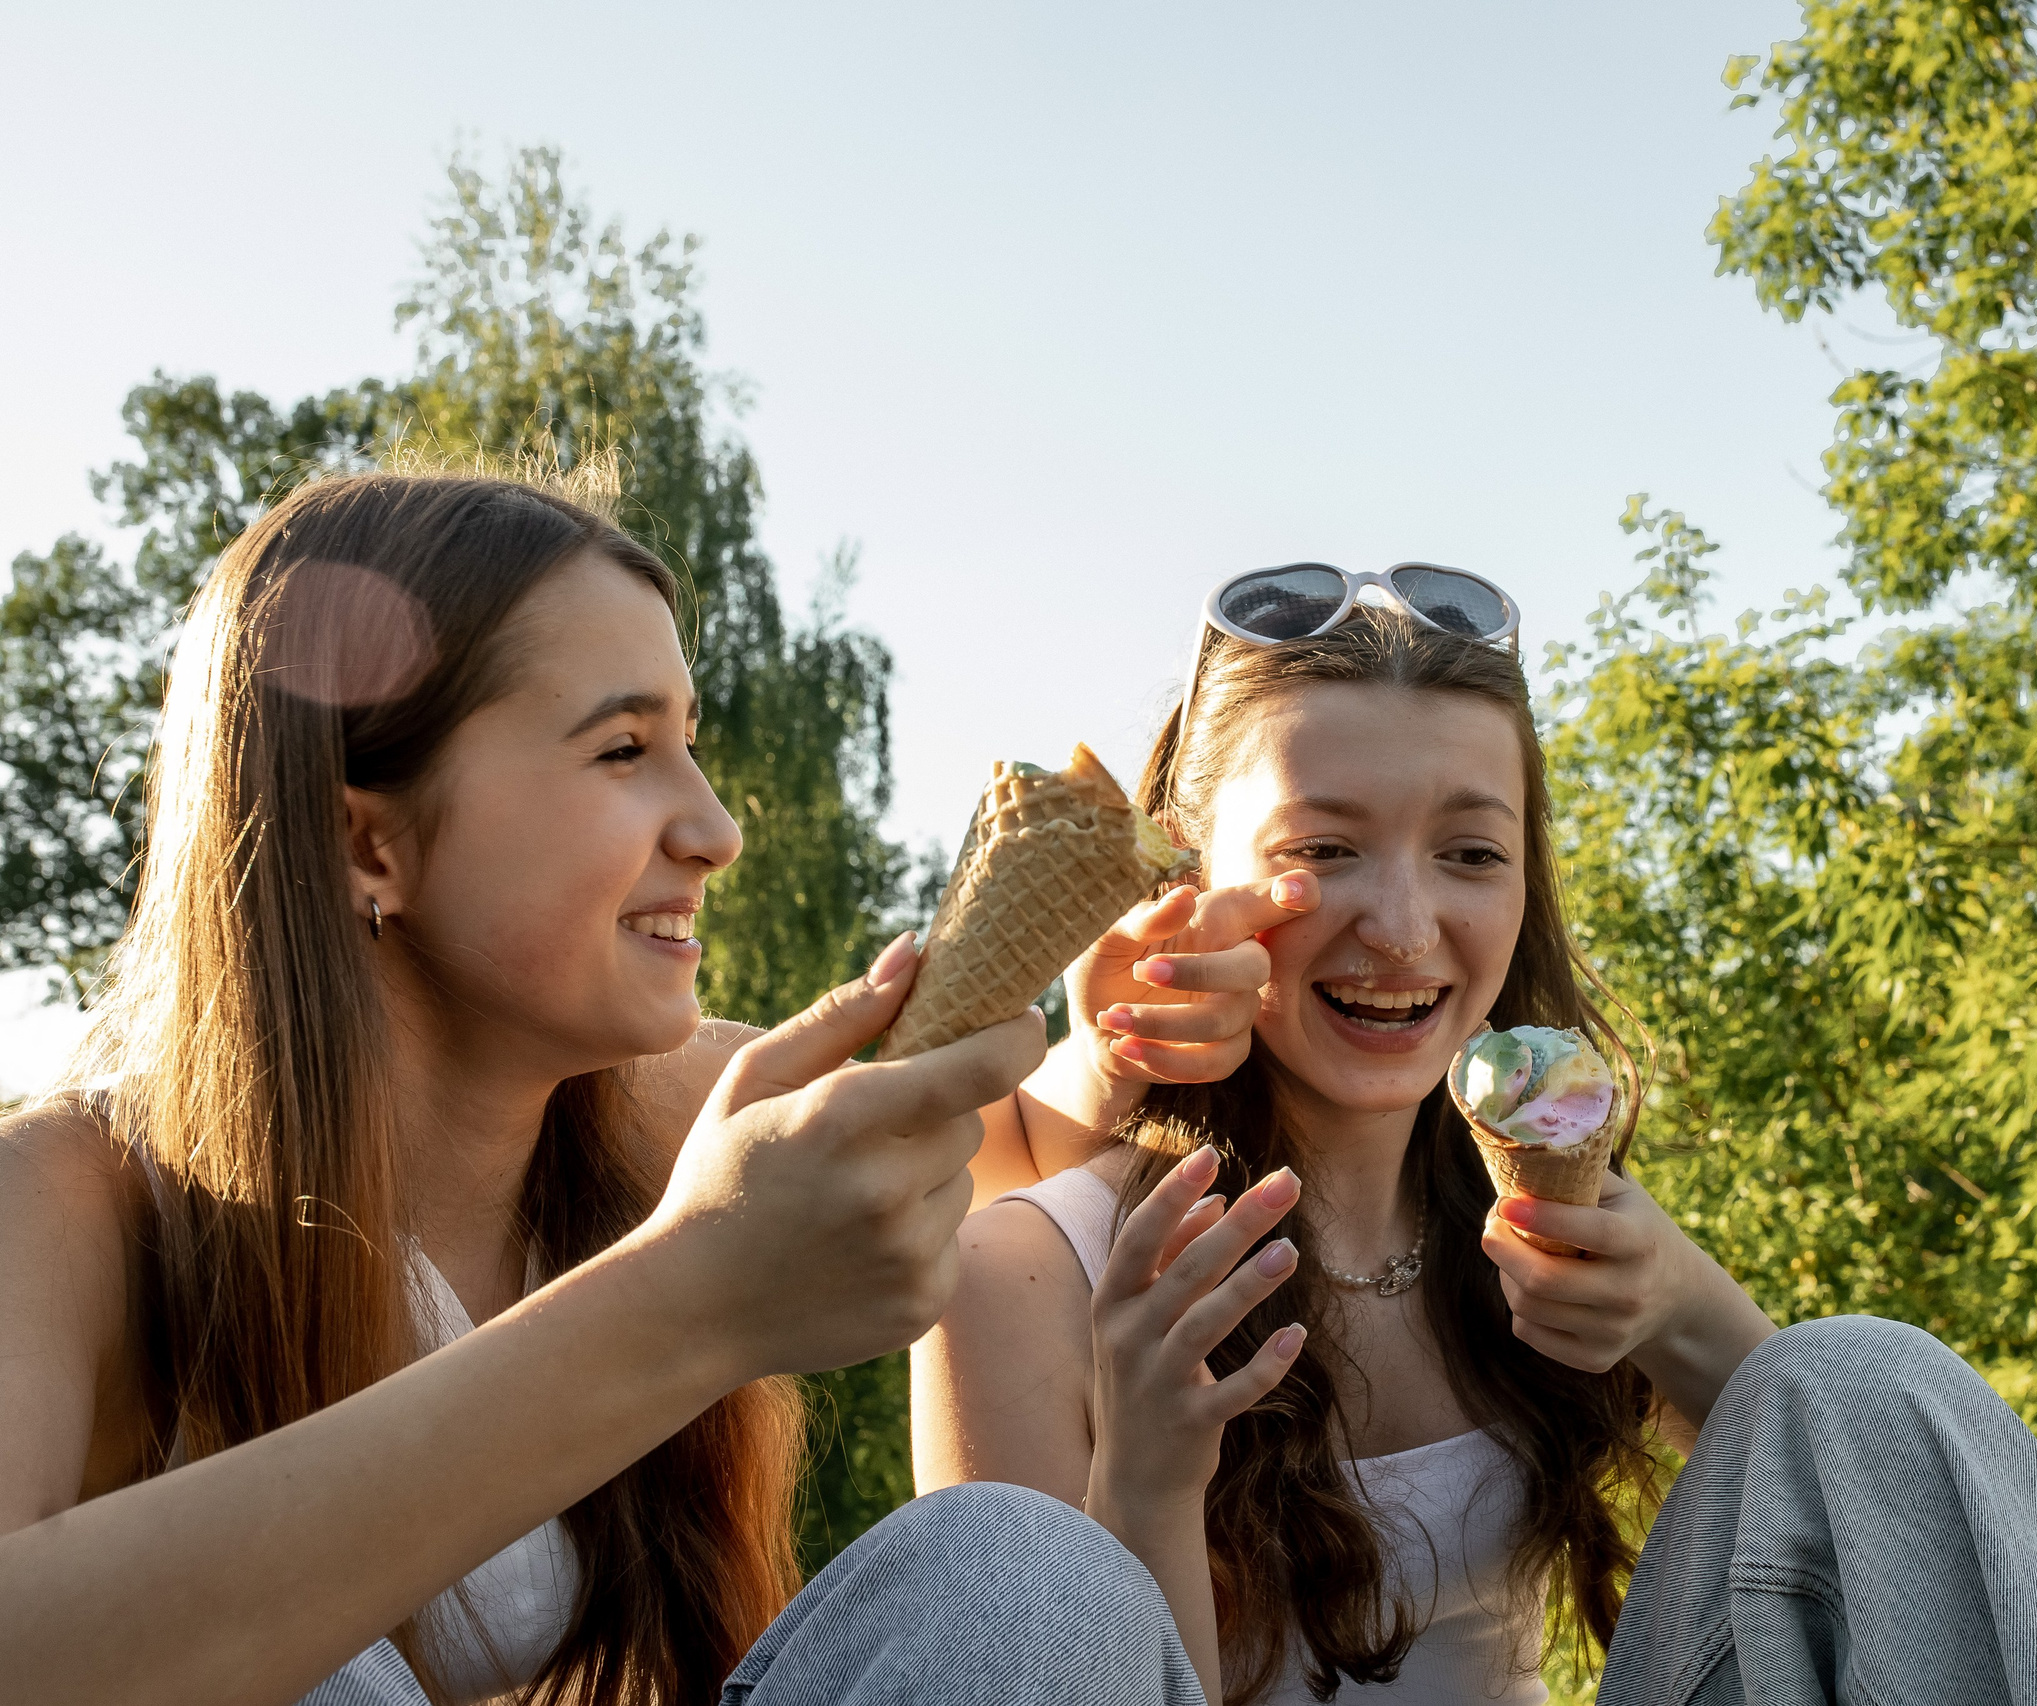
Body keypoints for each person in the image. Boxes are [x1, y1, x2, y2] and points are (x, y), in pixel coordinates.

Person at [0, 471, 1198, 1706]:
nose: (717, 828)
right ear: (372, 844)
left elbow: (1003, 1143)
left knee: (1024, 1571)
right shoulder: (71, 1196)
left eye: (692, 743)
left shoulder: (666, 1107)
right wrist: (687, 1302)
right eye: (624, 749)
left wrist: (1119, 1039)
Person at [918, 565, 2037, 1704]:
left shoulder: (1529, 1227)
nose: (1406, 926)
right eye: (1325, 847)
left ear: (1526, 883)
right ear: (1186, 879)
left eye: (1470, 851)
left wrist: (1678, 1299)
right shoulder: (1031, 1273)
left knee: (1868, 1375)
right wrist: (1146, 1484)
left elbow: (1841, 1501)